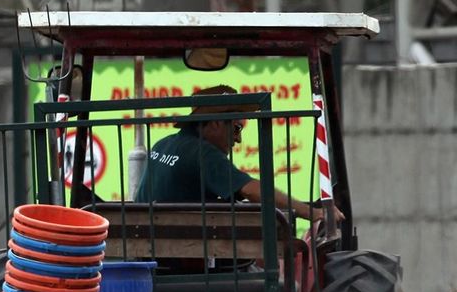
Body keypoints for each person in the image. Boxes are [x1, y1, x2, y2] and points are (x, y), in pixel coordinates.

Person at [135, 84, 340, 222]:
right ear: (215, 123)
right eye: (236, 128)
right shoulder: (203, 153)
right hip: (185, 259)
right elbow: (251, 190)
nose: (238, 139)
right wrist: (314, 213)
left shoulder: (163, 144)